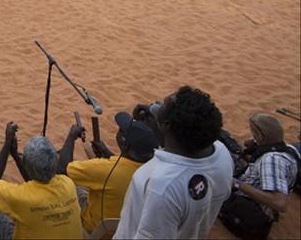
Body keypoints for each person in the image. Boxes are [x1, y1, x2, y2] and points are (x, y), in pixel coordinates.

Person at [114, 86, 234, 239]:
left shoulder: (161, 185)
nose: (155, 106)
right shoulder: (221, 154)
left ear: (166, 125)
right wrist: (158, 125)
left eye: (163, 104)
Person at [0, 123, 83, 239]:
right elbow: (51, 173)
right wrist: (16, 155)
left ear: (28, 166)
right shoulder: (67, 184)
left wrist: (7, 145)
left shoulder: (22, 197)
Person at [58, 112, 158, 234]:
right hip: (125, 230)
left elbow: (62, 171)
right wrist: (107, 153)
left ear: (125, 143)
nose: (119, 131)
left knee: (68, 185)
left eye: (121, 130)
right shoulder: (153, 170)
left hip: (94, 231)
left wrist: (71, 137)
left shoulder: (106, 169)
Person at [220, 114, 300, 239]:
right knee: (227, 141)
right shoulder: (288, 149)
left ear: (261, 136)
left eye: (253, 132)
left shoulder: (271, 160)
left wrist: (236, 183)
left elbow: (279, 203)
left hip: (248, 203)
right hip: (255, 180)